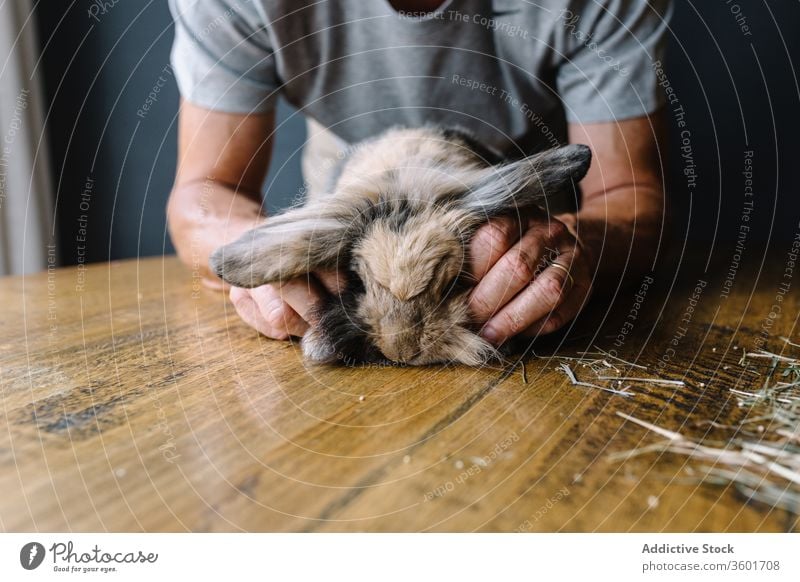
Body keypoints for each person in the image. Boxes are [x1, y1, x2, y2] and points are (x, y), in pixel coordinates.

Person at [167, 0, 670, 347]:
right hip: (346, 237)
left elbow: (629, 192)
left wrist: (572, 248)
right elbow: (205, 192)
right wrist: (266, 254)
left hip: (516, 234)